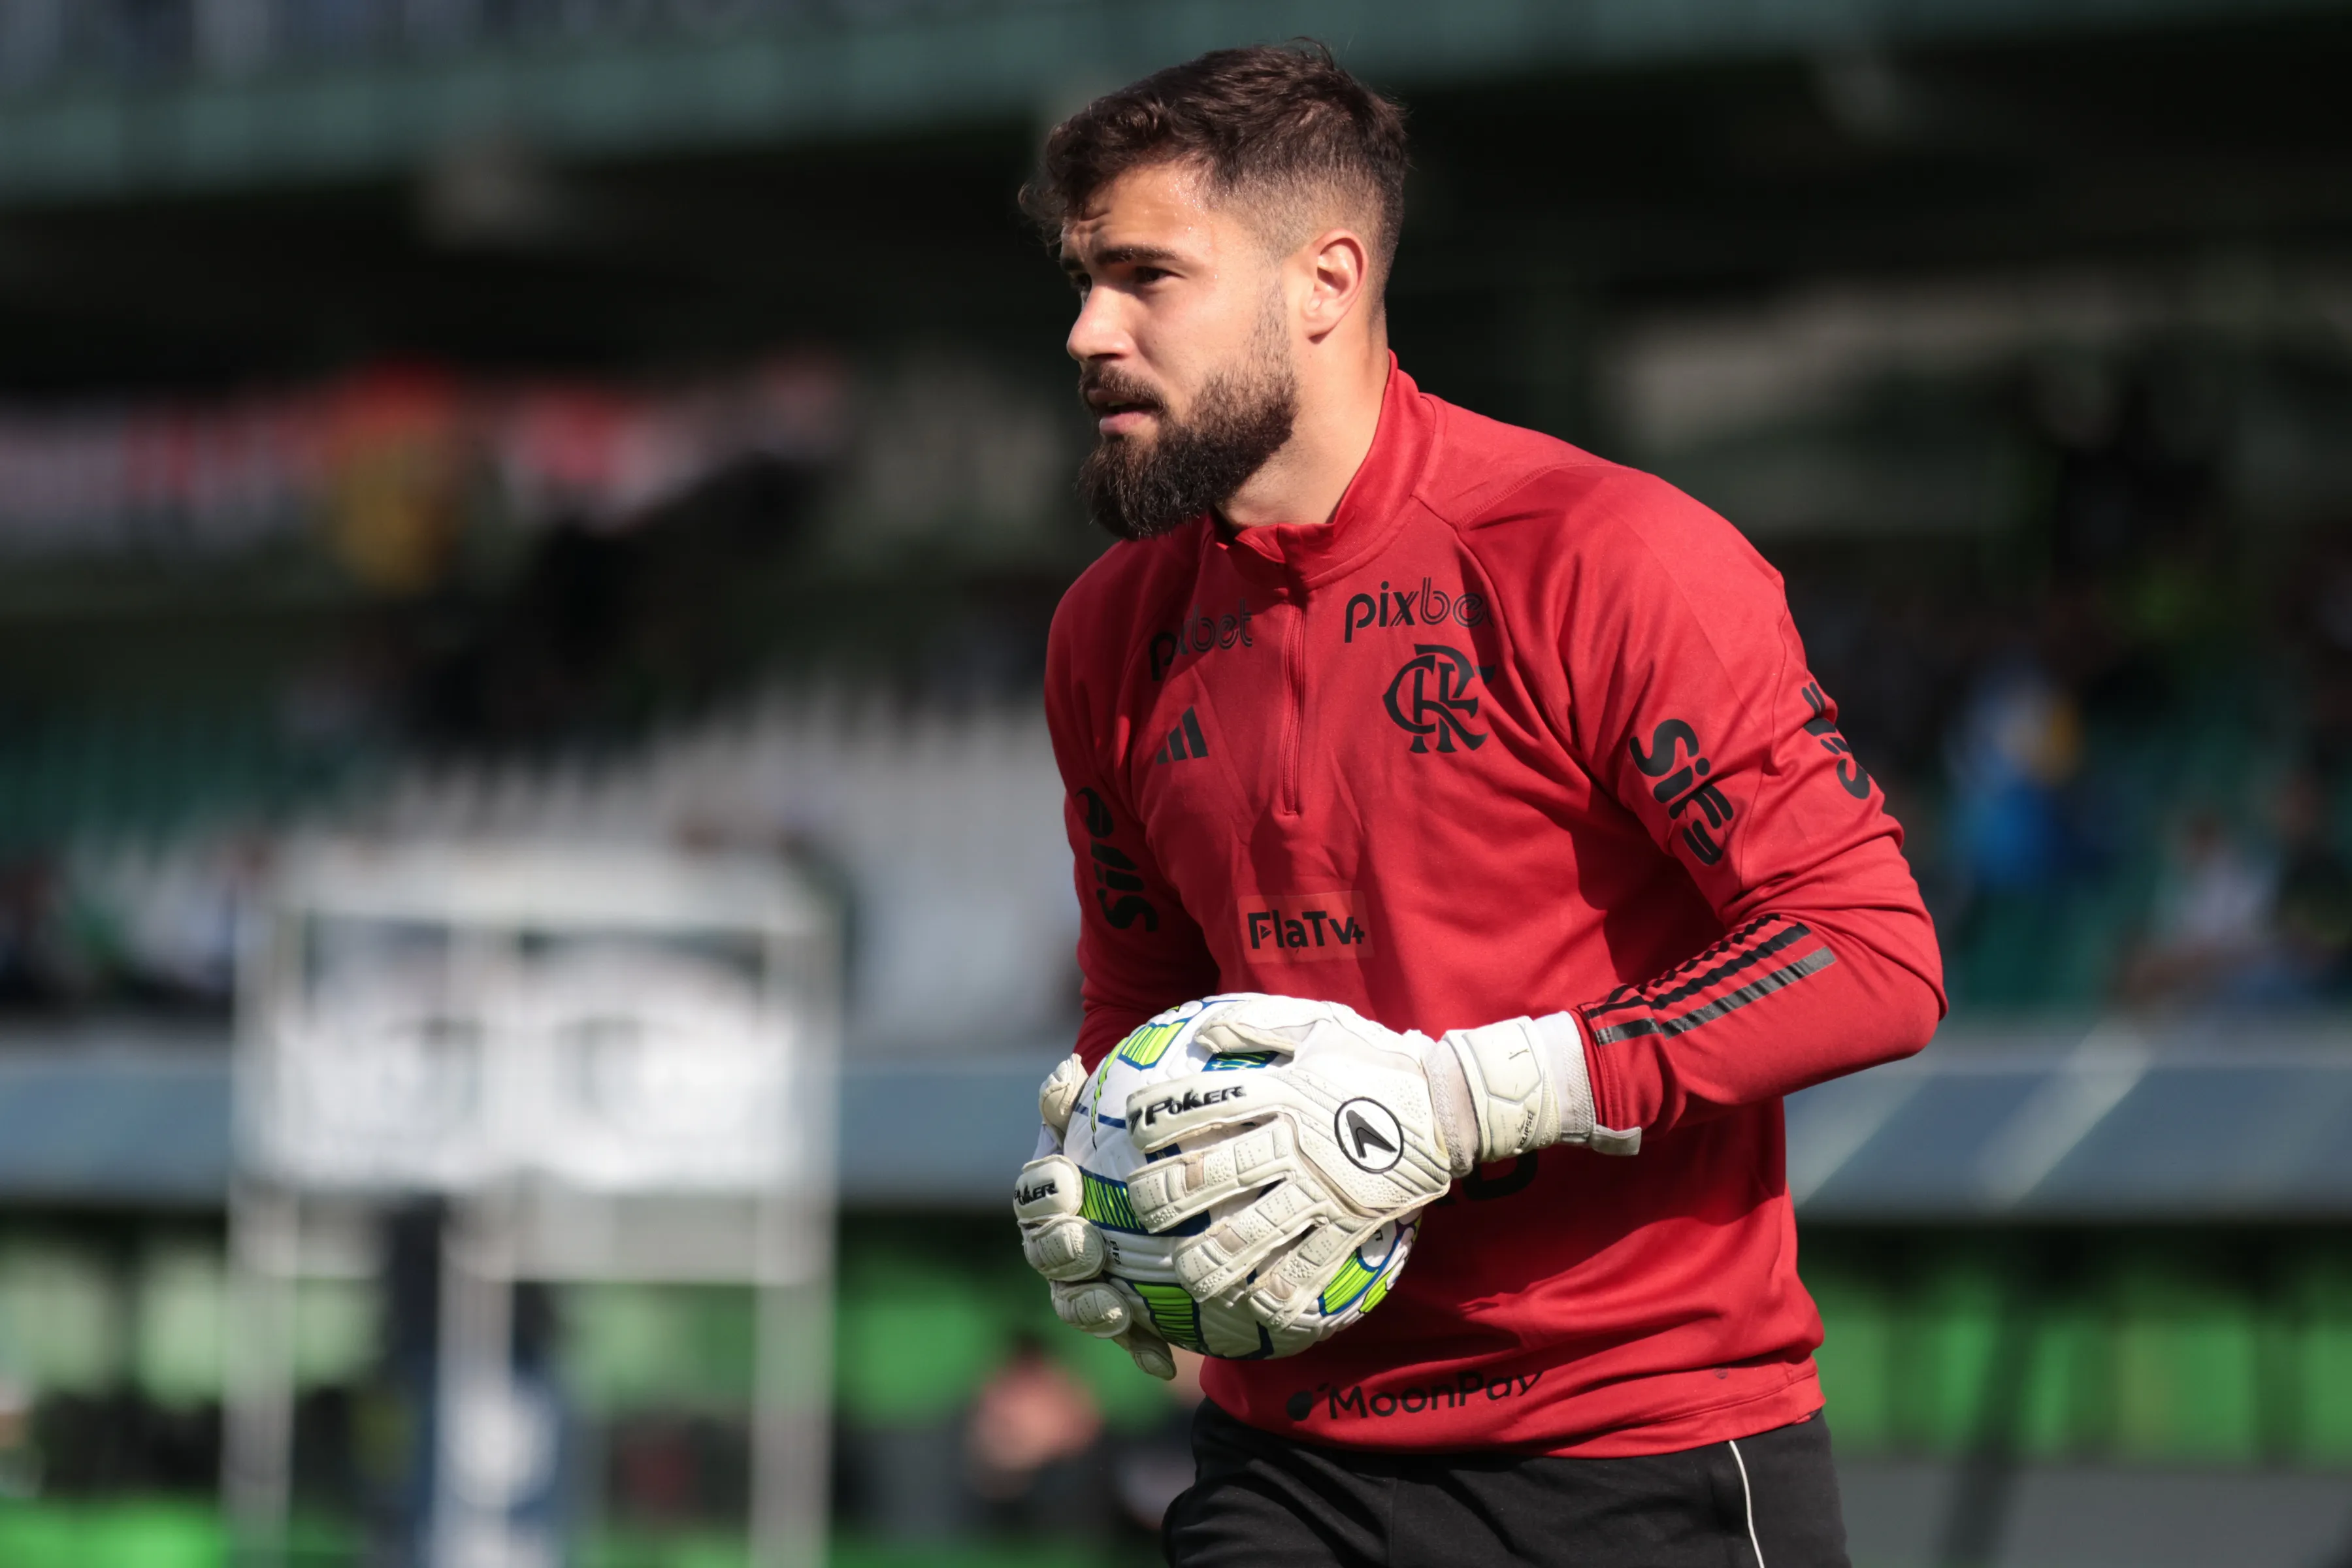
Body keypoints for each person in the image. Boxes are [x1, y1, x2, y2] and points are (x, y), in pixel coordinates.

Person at [1009, 44, 1942, 1567]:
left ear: (1323, 281)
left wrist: (1478, 1095)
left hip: (1645, 1454)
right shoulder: (1107, 634)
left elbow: (1869, 955)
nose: (1087, 330)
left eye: (1143, 277)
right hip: (1288, 1460)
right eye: (1082, 278)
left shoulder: (1608, 558)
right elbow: (1145, 1001)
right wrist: (1117, 1177)